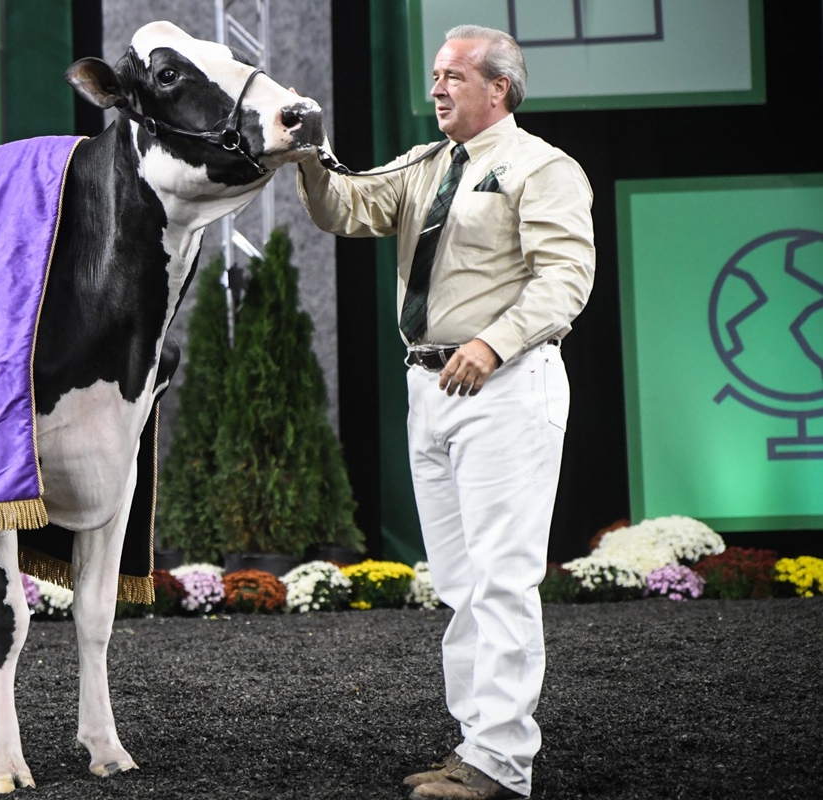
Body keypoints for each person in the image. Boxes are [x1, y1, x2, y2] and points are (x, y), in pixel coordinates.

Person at [296, 24, 594, 800]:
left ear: (499, 88)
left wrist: (493, 345)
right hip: (428, 387)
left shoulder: (542, 167)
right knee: (461, 585)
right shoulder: (425, 163)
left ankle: (500, 763)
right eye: (434, 76)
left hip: (505, 386)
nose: (436, 89)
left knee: (499, 581)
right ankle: (478, 748)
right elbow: (347, 209)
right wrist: (310, 154)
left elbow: (566, 279)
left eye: (453, 77)